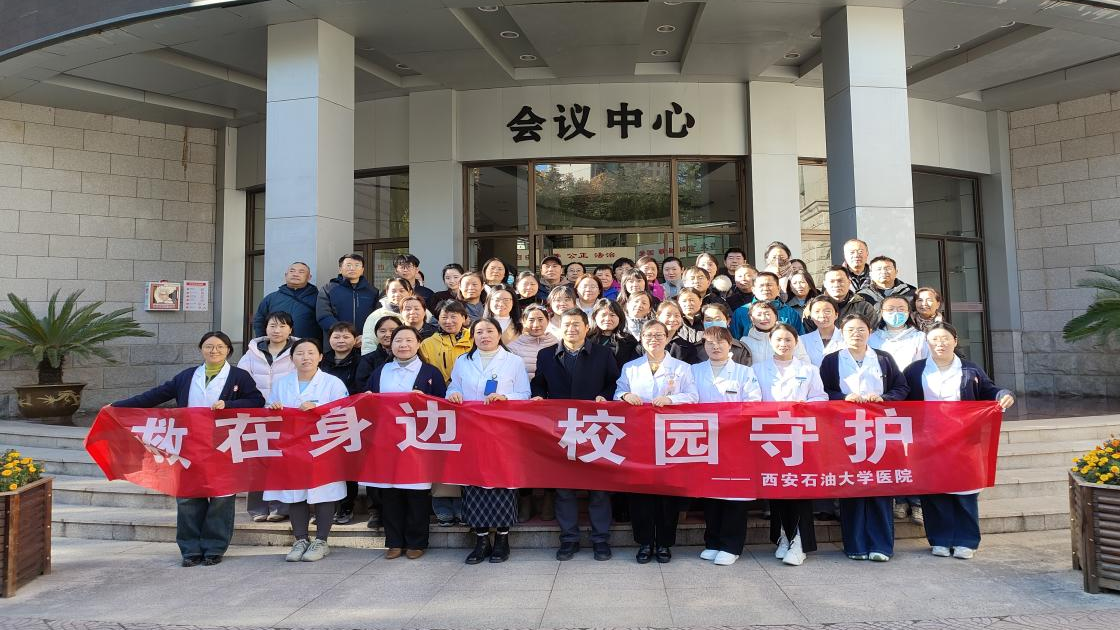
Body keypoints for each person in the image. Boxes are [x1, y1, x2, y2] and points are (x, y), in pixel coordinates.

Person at [111, 331, 264, 567]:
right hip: (189, 445)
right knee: (189, 497)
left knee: (222, 498)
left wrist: (229, 404)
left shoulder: (239, 377)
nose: (214, 351)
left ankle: (214, 548)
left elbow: (257, 401)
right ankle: (190, 550)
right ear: (201, 349)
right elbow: (155, 395)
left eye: (220, 347)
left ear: (228, 351)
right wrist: (118, 407)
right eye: (209, 346)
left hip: (224, 445)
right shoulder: (187, 376)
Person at [904, 322, 1015, 560]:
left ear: (955, 341)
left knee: (965, 492)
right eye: (934, 340)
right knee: (934, 492)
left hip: (964, 440)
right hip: (928, 441)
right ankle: (940, 539)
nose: (940, 344)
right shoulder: (915, 370)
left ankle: (967, 541)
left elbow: (990, 390)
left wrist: (1003, 395)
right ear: (927, 344)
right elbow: (901, 396)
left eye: (945, 339)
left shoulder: (970, 369)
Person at [531, 308, 620, 562]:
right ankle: (568, 539)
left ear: (586, 327)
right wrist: (538, 396)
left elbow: (614, 382)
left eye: (576, 324)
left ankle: (600, 540)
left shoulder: (603, 353)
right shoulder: (547, 354)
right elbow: (539, 383)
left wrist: (605, 396)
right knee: (564, 488)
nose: (571, 329)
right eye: (567, 324)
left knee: (599, 488)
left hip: (594, 427)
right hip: (561, 429)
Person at [820, 314, 909, 562]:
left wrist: (884, 398)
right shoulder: (831, 360)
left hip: (880, 430)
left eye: (861, 329)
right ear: (842, 333)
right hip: (845, 431)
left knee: (880, 486)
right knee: (852, 486)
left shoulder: (883, 358)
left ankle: (881, 546)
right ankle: (856, 545)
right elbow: (822, 391)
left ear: (870, 332)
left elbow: (901, 387)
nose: (856, 334)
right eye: (850, 330)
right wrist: (842, 398)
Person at [447, 318, 532, 564]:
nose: (484, 335)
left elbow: (525, 394)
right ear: (472, 336)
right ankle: (481, 540)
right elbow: (453, 387)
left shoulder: (513, 361)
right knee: (474, 482)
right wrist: (453, 393)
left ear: (499, 334)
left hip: (502, 432)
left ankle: (502, 540)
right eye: (479, 332)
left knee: (502, 482)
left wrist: (504, 397)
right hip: (471, 430)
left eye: (490, 331)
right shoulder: (463, 361)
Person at [616, 320, 698, 563]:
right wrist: (625, 395)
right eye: (649, 335)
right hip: (638, 437)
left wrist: (671, 400)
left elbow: (693, 396)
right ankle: (644, 542)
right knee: (640, 493)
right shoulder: (630, 367)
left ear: (668, 338)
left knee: (667, 492)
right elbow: (617, 393)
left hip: (670, 437)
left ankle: (664, 543)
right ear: (641, 338)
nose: (654, 339)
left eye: (659, 335)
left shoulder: (682, 368)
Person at [366, 326, 448, 560]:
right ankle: (394, 541)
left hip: (419, 441)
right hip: (387, 442)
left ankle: (416, 542)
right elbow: (368, 403)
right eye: (398, 340)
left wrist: (425, 400)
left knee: (417, 492)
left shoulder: (430, 372)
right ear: (390, 345)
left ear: (419, 343)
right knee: (389, 492)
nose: (403, 345)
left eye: (409, 340)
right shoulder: (380, 372)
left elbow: (443, 404)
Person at [265, 338, 349, 563]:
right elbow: (268, 412)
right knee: (296, 493)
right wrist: (274, 408)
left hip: (323, 448)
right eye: (300, 353)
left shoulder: (332, 383)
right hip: (292, 448)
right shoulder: (282, 383)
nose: (306, 357)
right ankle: (300, 539)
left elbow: (344, 411)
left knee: (324, 493)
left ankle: (321, 541)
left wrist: (319, 409)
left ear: (320, 357)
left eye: (311, 353)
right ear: (292, 358)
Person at [754, 324, 827, 566]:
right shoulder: (757, 369)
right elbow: (753, 400)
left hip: (799, 437)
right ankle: (783, 536)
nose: (783, 344)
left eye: (788, 339)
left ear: (796, 342)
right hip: (770, 437)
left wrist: (804, 406)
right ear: (770, 342)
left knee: (798, 489)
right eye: (778, 339)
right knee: (777, 488)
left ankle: (800, 542)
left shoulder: (809, 370)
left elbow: (821, 397)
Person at [692, 326, 761, 566]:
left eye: (720, 342)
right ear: (704, 346)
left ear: (730, 344)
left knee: (734, 493)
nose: (715, 346)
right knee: (710, 492)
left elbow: (753, 404)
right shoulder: (694, 371)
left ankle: (731, 545)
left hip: (736, 441)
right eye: (710, 343)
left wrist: (728, 422)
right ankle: (712, 542)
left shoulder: (744, 372)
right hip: (705, 441)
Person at [238, 311, 297, 523]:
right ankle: (257, 508)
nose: (277, 330)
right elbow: (241, 382)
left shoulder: (298, 352)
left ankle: (280, 507)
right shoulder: (251, 354)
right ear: (265, 328)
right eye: (272, 326)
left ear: (290, 329)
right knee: (257, 461)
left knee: (283, 461)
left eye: (282, 326)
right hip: (256, 416)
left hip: (285, 414)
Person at [316, 253, 381, 340]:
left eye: (357, 265)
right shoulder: (328, 289)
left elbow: (376, 316)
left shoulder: (372, 291)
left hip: (364, 341)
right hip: (337, 340)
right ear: (340, 269)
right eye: (348, 265)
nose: (352, 268)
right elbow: (323, 315)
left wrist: (366, 336)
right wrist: (343, 334)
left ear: (362, 270)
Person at [253, 261, 321, 342]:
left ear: (309, 277)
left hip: (307, 345)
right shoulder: (271, 298)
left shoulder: (319, 298)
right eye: (292, 271)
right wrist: (263, 341)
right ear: (286, 275)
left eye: (301, 272)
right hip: (277, 345)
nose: (295, 274)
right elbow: (259, 321)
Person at [730, 272, 803, 338]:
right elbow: (735, 341)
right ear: (753, 289)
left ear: (778, 288)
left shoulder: (790, 313)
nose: (765, 288)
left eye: (769, 285)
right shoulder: (742, 312)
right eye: (761, 285)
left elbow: (800, 340)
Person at [419, 300, 472, 384]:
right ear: (438, 320)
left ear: (463, 318)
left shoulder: (475, 340)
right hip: (440, 389)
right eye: (444, 317)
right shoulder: (427, 344)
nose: (449, 321)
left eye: (453, 317)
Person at [740, 301, 809, 365]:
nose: (763, 318)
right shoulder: (745, 341)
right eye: (759, 315)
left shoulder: (790, 337)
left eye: (767, 314)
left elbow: (803, 361)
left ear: (776, 317)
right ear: (752, 319)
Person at [814, 265, 878, 330]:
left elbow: (872, 332)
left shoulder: (864, 307)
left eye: (840, 281)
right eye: (832, 281)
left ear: (849, 282)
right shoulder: (814, 308)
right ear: (825, 284)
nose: (836, 285)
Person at [506, 304, 559, 380]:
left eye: (540, 319)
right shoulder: (512, 348)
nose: (536, 325)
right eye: (531, 320)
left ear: (548, 321)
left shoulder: (557, 345)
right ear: (523, 322)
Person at [362, 277, 412, 351]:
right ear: (387, 292)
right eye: (393, 291)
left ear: (410, 292)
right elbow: (369, 344)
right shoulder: (376, 315)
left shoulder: (420, 312)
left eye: (402, 291)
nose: (397, 294)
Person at [588, 299, 639, 368]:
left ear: (620, 318)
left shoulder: (628, 340)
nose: (608, 319)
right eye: (603, 315)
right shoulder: (585, 338)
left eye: (612, 315)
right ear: (595, 317)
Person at [356, 315, 401, 387]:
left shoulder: (409, 357)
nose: (387, 335)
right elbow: (362, 385)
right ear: (376, 334)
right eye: (382, 331)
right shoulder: (367, 360)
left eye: (392, 331)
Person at [801, 296, 844, 367]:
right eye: (817, 311)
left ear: (836, 315)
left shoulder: (846, 338)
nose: (822, 315)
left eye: (827, 311)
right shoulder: (803, 340)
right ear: (811, 316)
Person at [320, 322, 362, 394]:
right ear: (329, 339)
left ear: (355, 340)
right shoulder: (320, 360)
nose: (341, 341)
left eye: (346, 337)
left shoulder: (361, 361)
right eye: (336, 337)